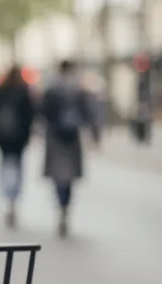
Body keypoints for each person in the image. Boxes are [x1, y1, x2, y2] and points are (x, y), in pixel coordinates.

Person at [41, 60, 100, 238]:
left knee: (59, 175)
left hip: (55, 138)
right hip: (72, 137)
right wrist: (95, 134)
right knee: (69, 175)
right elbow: (88, 113)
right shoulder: (78, 89)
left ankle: (61, 204)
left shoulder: (51, 89)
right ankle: (65, 206)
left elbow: (43, 112)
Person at [0, 66, 35, 229]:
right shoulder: (23, 90)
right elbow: (30, 115)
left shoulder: (1, 89)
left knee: (5, 165)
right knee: (17, 167)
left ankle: (7, 195)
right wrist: (28, 136)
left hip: (3, 136)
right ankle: (13, 197)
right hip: (19, 138)